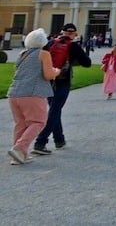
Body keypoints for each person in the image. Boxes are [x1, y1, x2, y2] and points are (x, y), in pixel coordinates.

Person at [33, 23, 92, 155]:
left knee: (55, 110)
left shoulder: (50, 43)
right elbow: (87, 63)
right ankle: (40, 142)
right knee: (55, 111)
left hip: (48, 80)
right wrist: (74, 60)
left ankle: (59, 139)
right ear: (74, 34)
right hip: (62, 81)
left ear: (62, 32)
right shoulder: (74, 46)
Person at [8, 28, 63, 165]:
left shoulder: (22, 54)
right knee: (38, 122)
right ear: (43, 41)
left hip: (14, 93)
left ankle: (19, 156)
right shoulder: (43, 54)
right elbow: (48, 75)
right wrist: (57, 71)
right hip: (32, 93)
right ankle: (19, 148)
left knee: (21, 124)